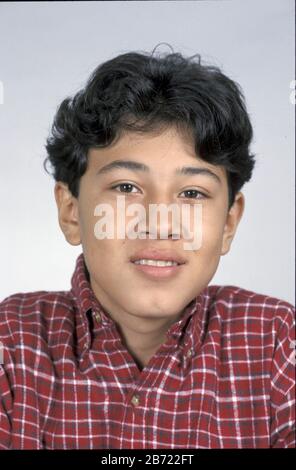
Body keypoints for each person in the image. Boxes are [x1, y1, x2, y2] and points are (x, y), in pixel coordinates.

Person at [0, 46, 295, 449]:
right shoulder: (11, 348)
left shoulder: (279, 343)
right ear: (71, 211)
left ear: (229, 222)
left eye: (192, 192)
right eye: (126, 188)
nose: (160, 222)